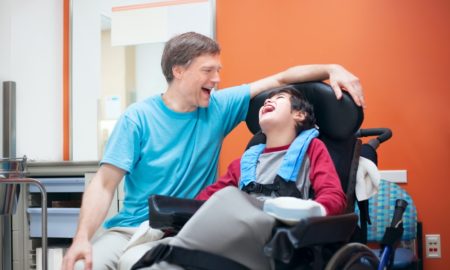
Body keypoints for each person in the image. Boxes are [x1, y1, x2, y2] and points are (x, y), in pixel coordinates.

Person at [62, 31, 364, 270]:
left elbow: (283, 78)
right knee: (84, 264)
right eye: (208, 70)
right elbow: (103, 184)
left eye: (218, 70)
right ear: (178, 70)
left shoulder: (220, 106)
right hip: (132, 227)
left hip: (185, 225)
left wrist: (332, 68)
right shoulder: (137, 118)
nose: (217, 79)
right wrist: (82, 238)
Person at [132, 86, 347, 270]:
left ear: (299, 115)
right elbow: (207, 199)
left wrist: (309, 210)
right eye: (267, 100)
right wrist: (171, 219)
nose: (269, 100)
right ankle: (170, 252)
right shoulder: (245, 162)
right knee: (219, 201)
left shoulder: (312, 149)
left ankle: (171, 254)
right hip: (235, 236)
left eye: (279, 98)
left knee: (228, 198)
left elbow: (334, 196)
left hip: (277, 238)